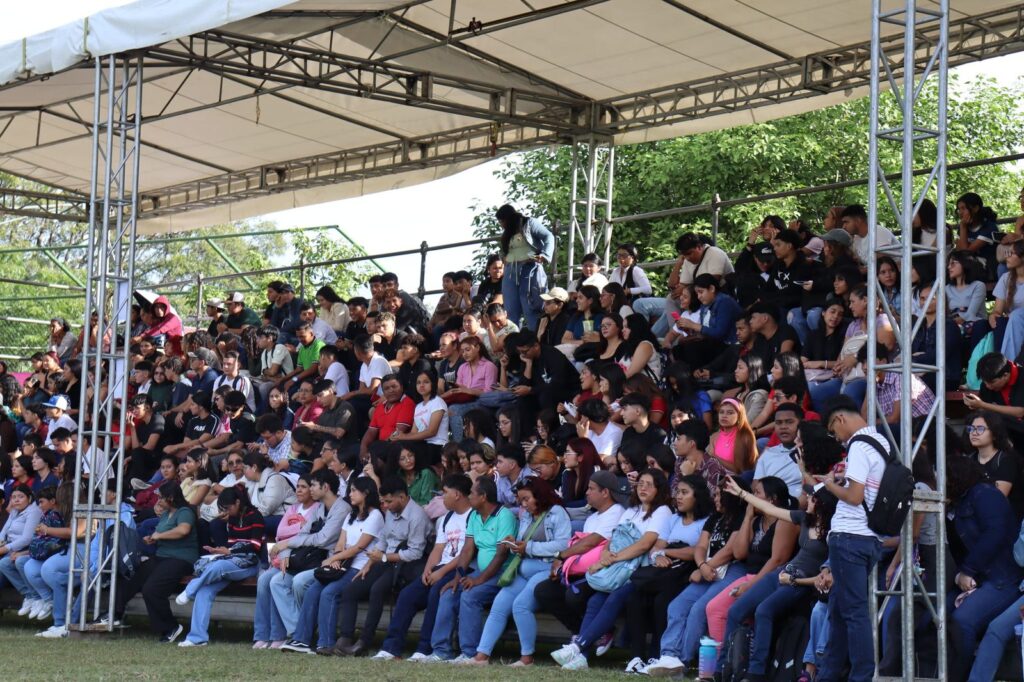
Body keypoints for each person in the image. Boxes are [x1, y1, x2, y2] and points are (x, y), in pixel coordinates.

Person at [551, 468, 674, 671]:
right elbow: (614, 537)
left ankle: (579, 646)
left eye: (649, 484)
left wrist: (607, 561)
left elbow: (644, 544)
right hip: (616, 568)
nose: (643, 488)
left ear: (659, 489)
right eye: (641, 483)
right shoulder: (632, 509)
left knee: (615, 597)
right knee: (594, 601)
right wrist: (606, 552)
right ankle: (582, 657)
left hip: (637, 572)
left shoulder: (662, 511)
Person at [716, 475, 837, 679]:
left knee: (763, 611)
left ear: (821, 503)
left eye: (812, 498)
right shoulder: (803, 518)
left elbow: (825, 573)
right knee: (736, 610)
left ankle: (756, 671)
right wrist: (741, 493)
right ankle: (722, 668)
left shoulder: (834, 531)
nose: (807, 500)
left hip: (799, 583)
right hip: (781, 573)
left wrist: (792, 580)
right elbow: (771, 510)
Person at [817, 396, 889, 681]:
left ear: (840, 420)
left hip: (850, 536)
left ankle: (861, 675)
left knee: (854, 612)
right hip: (868, 537)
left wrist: (830, 484)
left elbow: (855, 496)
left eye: (834, 432)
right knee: (839, 611)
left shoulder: (859, 445)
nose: (837, 439)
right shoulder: (881, 442)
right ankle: (830, 674)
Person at [643, 480, 748, 676]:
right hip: (708, 567)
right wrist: (702, 565)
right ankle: (668, 656)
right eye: (715, 495)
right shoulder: (715, 518)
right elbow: (701, 546)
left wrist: (707, 566)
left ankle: (681, 662)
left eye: (719, 495)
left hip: (731, 569)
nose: (715, 498)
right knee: (677, 606)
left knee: (699, 609)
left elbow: (730, 550)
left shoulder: (740, 517)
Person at [467, 477, 572, 667]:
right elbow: (524, 540)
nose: (523, 505)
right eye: (521, 500)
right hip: (524, 569)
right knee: (499, 605)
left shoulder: (557, 513)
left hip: (546, 570)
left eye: (526, 499)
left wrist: (529, 547)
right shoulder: (526, 515)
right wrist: (513, 541)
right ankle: (481, 656)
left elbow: (563, 545)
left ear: (538, 496)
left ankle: (526, 658)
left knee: (521, 606)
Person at [373, 474, 473, 661]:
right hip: (439, 568)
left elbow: (467, 552)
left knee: (436, 592)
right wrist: (428, 570)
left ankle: (425, 648)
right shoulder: (446, 518)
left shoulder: (473, 517)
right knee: (407, 595)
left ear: (457, 494)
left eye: (445, 493)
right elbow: (438, 548)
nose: (441, 498)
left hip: (460, 568)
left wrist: (440, 572)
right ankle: (391, 648)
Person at [280, 476, 384, 654]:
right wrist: (335, 558)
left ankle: (326, 643)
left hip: (359, 567)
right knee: (313, 590)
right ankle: (302, 640)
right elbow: (340, 543)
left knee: (329, 592)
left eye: (353, 490)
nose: (349, 494)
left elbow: (359, 547)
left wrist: (333, 559)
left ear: (366, 493)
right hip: (342, 564)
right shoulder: (351, 515)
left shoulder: (375, 516)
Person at [330, 476, 432, 656]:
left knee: (377, 590)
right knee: (351, 589)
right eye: (383, 501)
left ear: (402, 497)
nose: (385, 505)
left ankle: (364, 641)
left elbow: (414, 553)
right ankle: (345, 639)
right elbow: (383, 540)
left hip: (404, 565)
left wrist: (383, 557)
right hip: (386, 560)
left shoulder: (417, 517)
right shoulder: (391, 513)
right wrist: (369, 564)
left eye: (389, 501)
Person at [623, 474, 714, 670]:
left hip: (686, 573)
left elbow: (697, 551)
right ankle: (637, 657)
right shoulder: (673, 519)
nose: (678, 497)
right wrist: (658, 556)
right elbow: (657, 548)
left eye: (684, 493)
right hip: (664, 569)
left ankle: (658, 655)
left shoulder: (706, 521)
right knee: (635, 598)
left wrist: (667, 552)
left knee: (662, 601)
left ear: (697, 496)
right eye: (677, 492)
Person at [946, 455, 1024, 682]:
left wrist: (969, 570)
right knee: (940, 613)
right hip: (985, 577)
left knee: (971, 622)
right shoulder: (955, 505)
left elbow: (1001, 538)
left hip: (1005, 578)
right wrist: (969, 576)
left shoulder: (985, 495)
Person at [425, 475, 517, 662]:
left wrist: (478, 580)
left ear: (483, 497)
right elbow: (467, 550)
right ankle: (441, 651)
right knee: (449, 592)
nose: (469, 496)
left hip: (500, 574)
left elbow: (501, 554)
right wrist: (458, 577)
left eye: (472, 494)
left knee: (470, 595)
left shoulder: (504, 515)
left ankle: (469, 653)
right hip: (480, 572)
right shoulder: (475, 515)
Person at [256, 470, 349, 648]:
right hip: (309, 559)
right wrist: (285, 553)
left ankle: (302, 633)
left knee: (298, 582)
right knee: (277, 581)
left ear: (326, 487)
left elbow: (323, 538)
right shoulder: (320, 507)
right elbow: (303, 533)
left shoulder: (342, 509)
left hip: (329, 562)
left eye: (313, 485)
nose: (311, 489)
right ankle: (298, 631)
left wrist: (287, 544)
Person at [174, 485, 265, 647]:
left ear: (238, 503)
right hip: (232, 561)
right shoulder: (232, 519)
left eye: (228, 508)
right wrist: (220, 551)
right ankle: (197, 638)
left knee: (219, 566)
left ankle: (190, 589)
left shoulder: (256, 516)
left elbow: (255, 546)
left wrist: (229, 551)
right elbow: (231, 543)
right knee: (205, 590)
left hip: (249, 563)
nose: (227, 512)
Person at [118, 482, 198, 643]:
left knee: (152, 589)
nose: (159, 500)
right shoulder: (166, 514)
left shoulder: (185, 511)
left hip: (181, 559)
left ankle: (170, 627)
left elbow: (183, 530)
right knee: (131, 576)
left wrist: (159, 537)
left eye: (161, 497)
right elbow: (158, 533)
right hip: (162, 556)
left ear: (170, 497)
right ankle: (114, 614)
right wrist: (151, 539)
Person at [496, 203, 554, 330]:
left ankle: (537, 339)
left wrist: (545, 255)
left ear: (508, 218)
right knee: (510, 310)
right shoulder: (507, 233)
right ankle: (513, 341)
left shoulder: (529, 223)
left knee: (531, 307)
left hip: (529, 267)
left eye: (502, 221)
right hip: (511, 270)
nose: (501, 225)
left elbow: (548, 236)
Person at [965, 411, 1024, 518]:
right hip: (975, 519)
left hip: (1004, 522)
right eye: (971, 428)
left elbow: (996, 500)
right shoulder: (969, 459)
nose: (974, 433)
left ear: (995, 434)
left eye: (980, 429)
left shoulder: (1006, 460)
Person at [443, 336, 497, 442]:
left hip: (483, 403)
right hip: (465, 401)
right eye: (462, 351)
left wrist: (470, 391)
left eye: (467, 350)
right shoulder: (463, 367)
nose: (465, 354)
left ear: (477, 348)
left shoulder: (489, 366)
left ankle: (458, 445)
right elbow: (459, 388)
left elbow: (490, 394)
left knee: (454, 409)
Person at [0, 485, 43, 616]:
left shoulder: (34, 511)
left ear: (29, 498)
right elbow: (3, 532)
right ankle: (29, 596)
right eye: (13, 497)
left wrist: (5, 548)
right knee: (4, 563)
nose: (16, 500)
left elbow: (27, 538)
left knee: (8, 563)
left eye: (20, 497)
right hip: (9, 549)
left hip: (28, 550)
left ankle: (36, 597)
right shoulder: (14, 512)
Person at [754, 402, 804, 497]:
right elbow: (756, 488)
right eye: (778, 423)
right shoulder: (767, 454)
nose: (783, 427)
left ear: (801, 423)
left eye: (789, 422)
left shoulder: (812, 453)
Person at [674, 419, 729, 492]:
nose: (674, 443)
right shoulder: (680, 461)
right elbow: (674, 494)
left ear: (691, 443)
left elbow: (707, 500)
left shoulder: (713, 467)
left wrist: (688, 477)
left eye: (678, 439)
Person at [707, 398, 758, 474]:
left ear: (739, 416)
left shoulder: (745, 436)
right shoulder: (714, 436)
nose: (724, 416)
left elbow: (740, 470)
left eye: (730, 413)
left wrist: (716, 457)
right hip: (714, 477)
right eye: (721, 412)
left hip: (736, 480)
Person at [841, 203, 896, 268]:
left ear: (858, 220)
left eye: (846, 222)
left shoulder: (877, 231)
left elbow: (881, 261)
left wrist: (861, 271)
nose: (843, 227)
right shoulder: (856, 239)